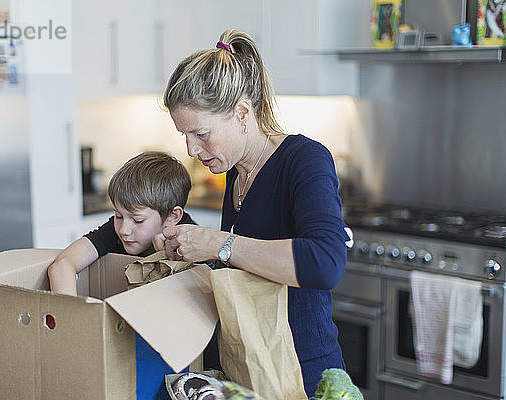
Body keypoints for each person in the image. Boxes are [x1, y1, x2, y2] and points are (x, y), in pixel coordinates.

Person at [160, 29, 352, 396]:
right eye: (184, 135)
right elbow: (249, 263)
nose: (191, 149)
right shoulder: (235, 170)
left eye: (201, 134)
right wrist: (187, 240)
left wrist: (219, 244)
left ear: (242, 112)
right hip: (251, 369)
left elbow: (326, 263)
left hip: (303, 375)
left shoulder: (305, 160)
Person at [48, 151, 196, 296]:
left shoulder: (191, 240)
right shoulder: (115, 231)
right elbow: (62, 265)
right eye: (118, 215)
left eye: (138, 220)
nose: (124, 230)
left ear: (172, 217)